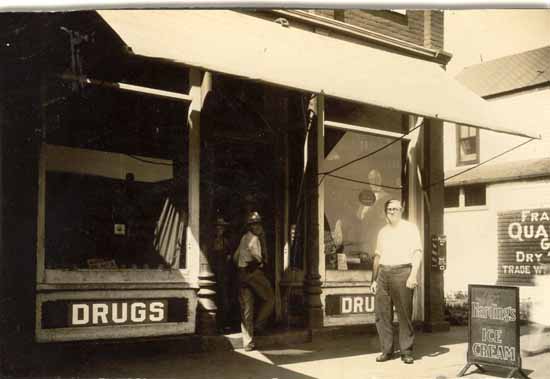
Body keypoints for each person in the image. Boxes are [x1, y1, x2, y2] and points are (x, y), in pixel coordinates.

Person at [370, 199, 422, 364]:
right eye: (389, 209)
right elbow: (377, 256)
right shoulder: (383, 232)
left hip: (403, 272)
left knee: (404, 314)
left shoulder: (410, 228)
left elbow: (417, 253)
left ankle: (406, 351)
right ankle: (387, 350)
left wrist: (413, 275)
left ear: (402, 210)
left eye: (396, 209)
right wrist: (374, 280)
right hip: (383, 274)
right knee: (382, 314)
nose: (392, 212)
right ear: (386, 212)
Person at [233, 211, 274, 351]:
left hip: (241, 274)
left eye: (258, 224)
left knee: (247, 308)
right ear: (251, 226)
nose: (257, 227)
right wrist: (261, 261)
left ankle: (248, 342)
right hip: (253, 272)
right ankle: (259, 325)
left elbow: (235, 256)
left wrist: (240, 266)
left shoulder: (244, 237)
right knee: (270, 299)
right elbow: (256, 254)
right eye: (255, 224)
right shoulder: (254, 239)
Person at [209, 216, 232, 333]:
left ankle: (224, 324)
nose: (219, 230)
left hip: (223, 274)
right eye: (217, 227)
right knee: (214, 299)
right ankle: (215, 325)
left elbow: (229, 258)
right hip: (212, 274)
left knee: (224, 300)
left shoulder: (226, 242)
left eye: (221, 228)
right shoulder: (210, 242)